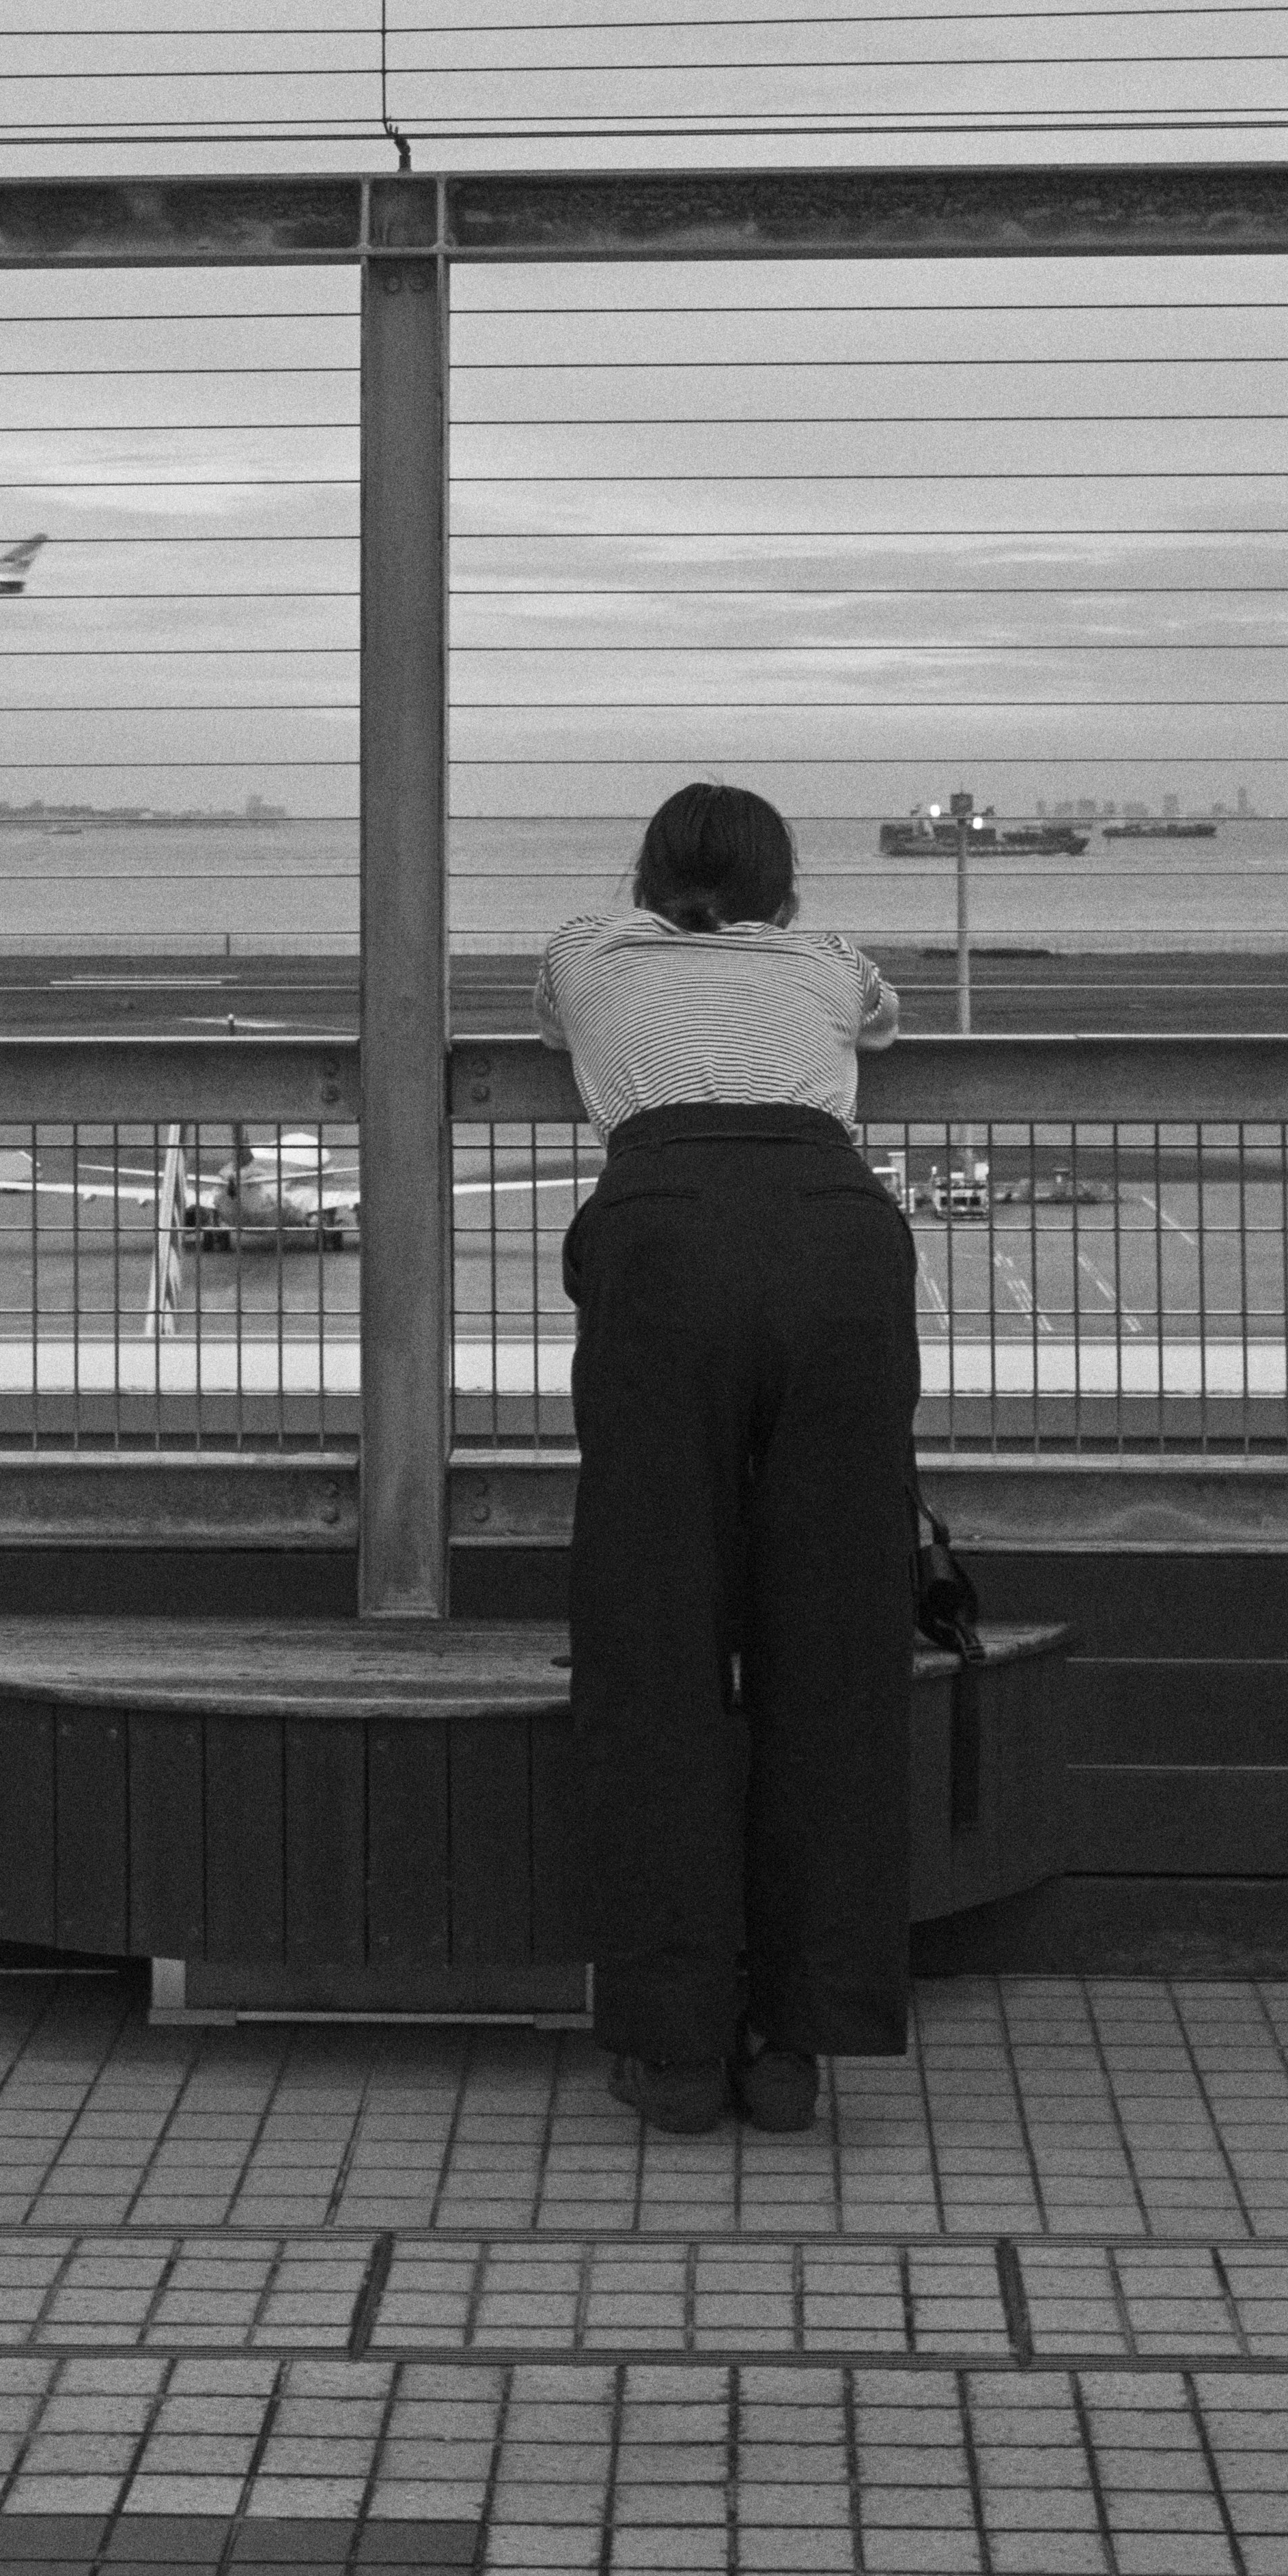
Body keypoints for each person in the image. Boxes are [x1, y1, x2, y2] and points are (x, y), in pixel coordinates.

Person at [535, 781, 919, 2138]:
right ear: (787, 887)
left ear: (646, 873)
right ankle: (797, 2039)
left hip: (661, 1244)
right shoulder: (825, 964)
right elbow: (882, 1019)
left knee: (653, 1643)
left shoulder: (586, 951)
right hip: (833, 1238)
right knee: (833, 1637)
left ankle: (673, 2042)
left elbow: (572, 1012)